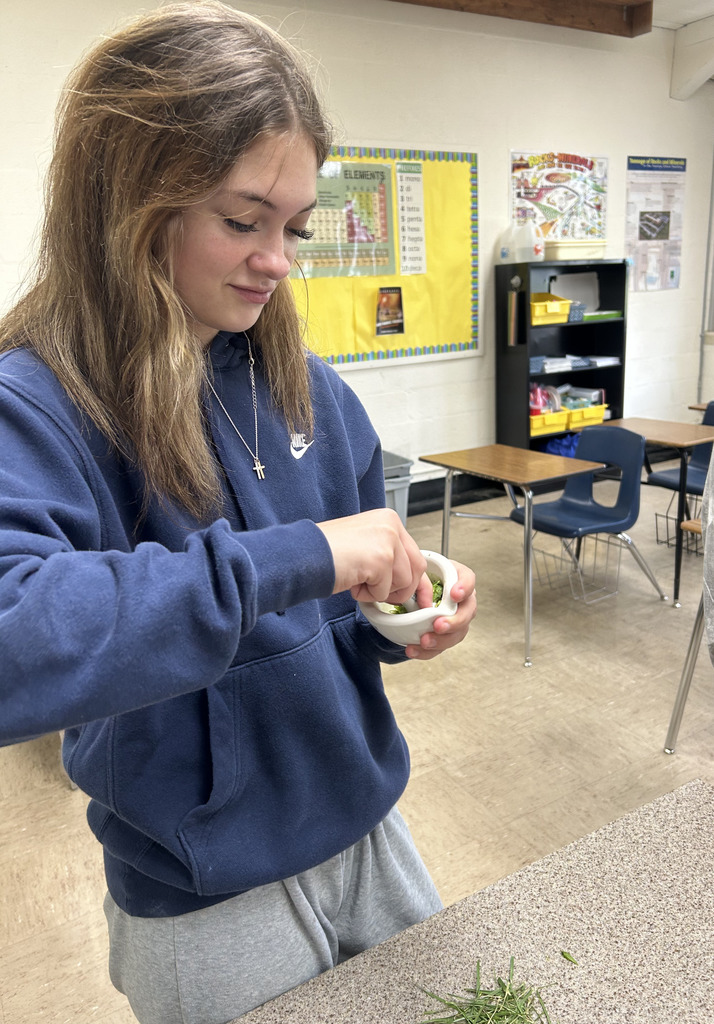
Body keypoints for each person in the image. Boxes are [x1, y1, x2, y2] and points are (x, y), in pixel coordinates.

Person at [0, 3, 476, 1022]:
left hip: (365, 824)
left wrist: (399, 614)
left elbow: (346, 593)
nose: (278, 261)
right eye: (242, 220)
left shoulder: (309, 387)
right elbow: (13, 642)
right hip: (201, 887)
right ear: (128, 198)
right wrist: (297, 556)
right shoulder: (35, 405)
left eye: (295, 227)